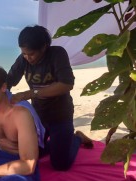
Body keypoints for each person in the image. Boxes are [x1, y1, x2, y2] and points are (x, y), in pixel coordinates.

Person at [7, 25, 93, 171]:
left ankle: (77, 137)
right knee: (32, 155)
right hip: (38, 117)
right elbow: (8, 81)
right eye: (24, 53)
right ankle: (58, 144)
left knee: (60, 165)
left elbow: (66, 84)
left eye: (31, 54)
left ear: (44, 47)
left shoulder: (57, 54)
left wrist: (30, 93)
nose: (27, 58)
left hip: (60, 115)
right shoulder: (23, 59)